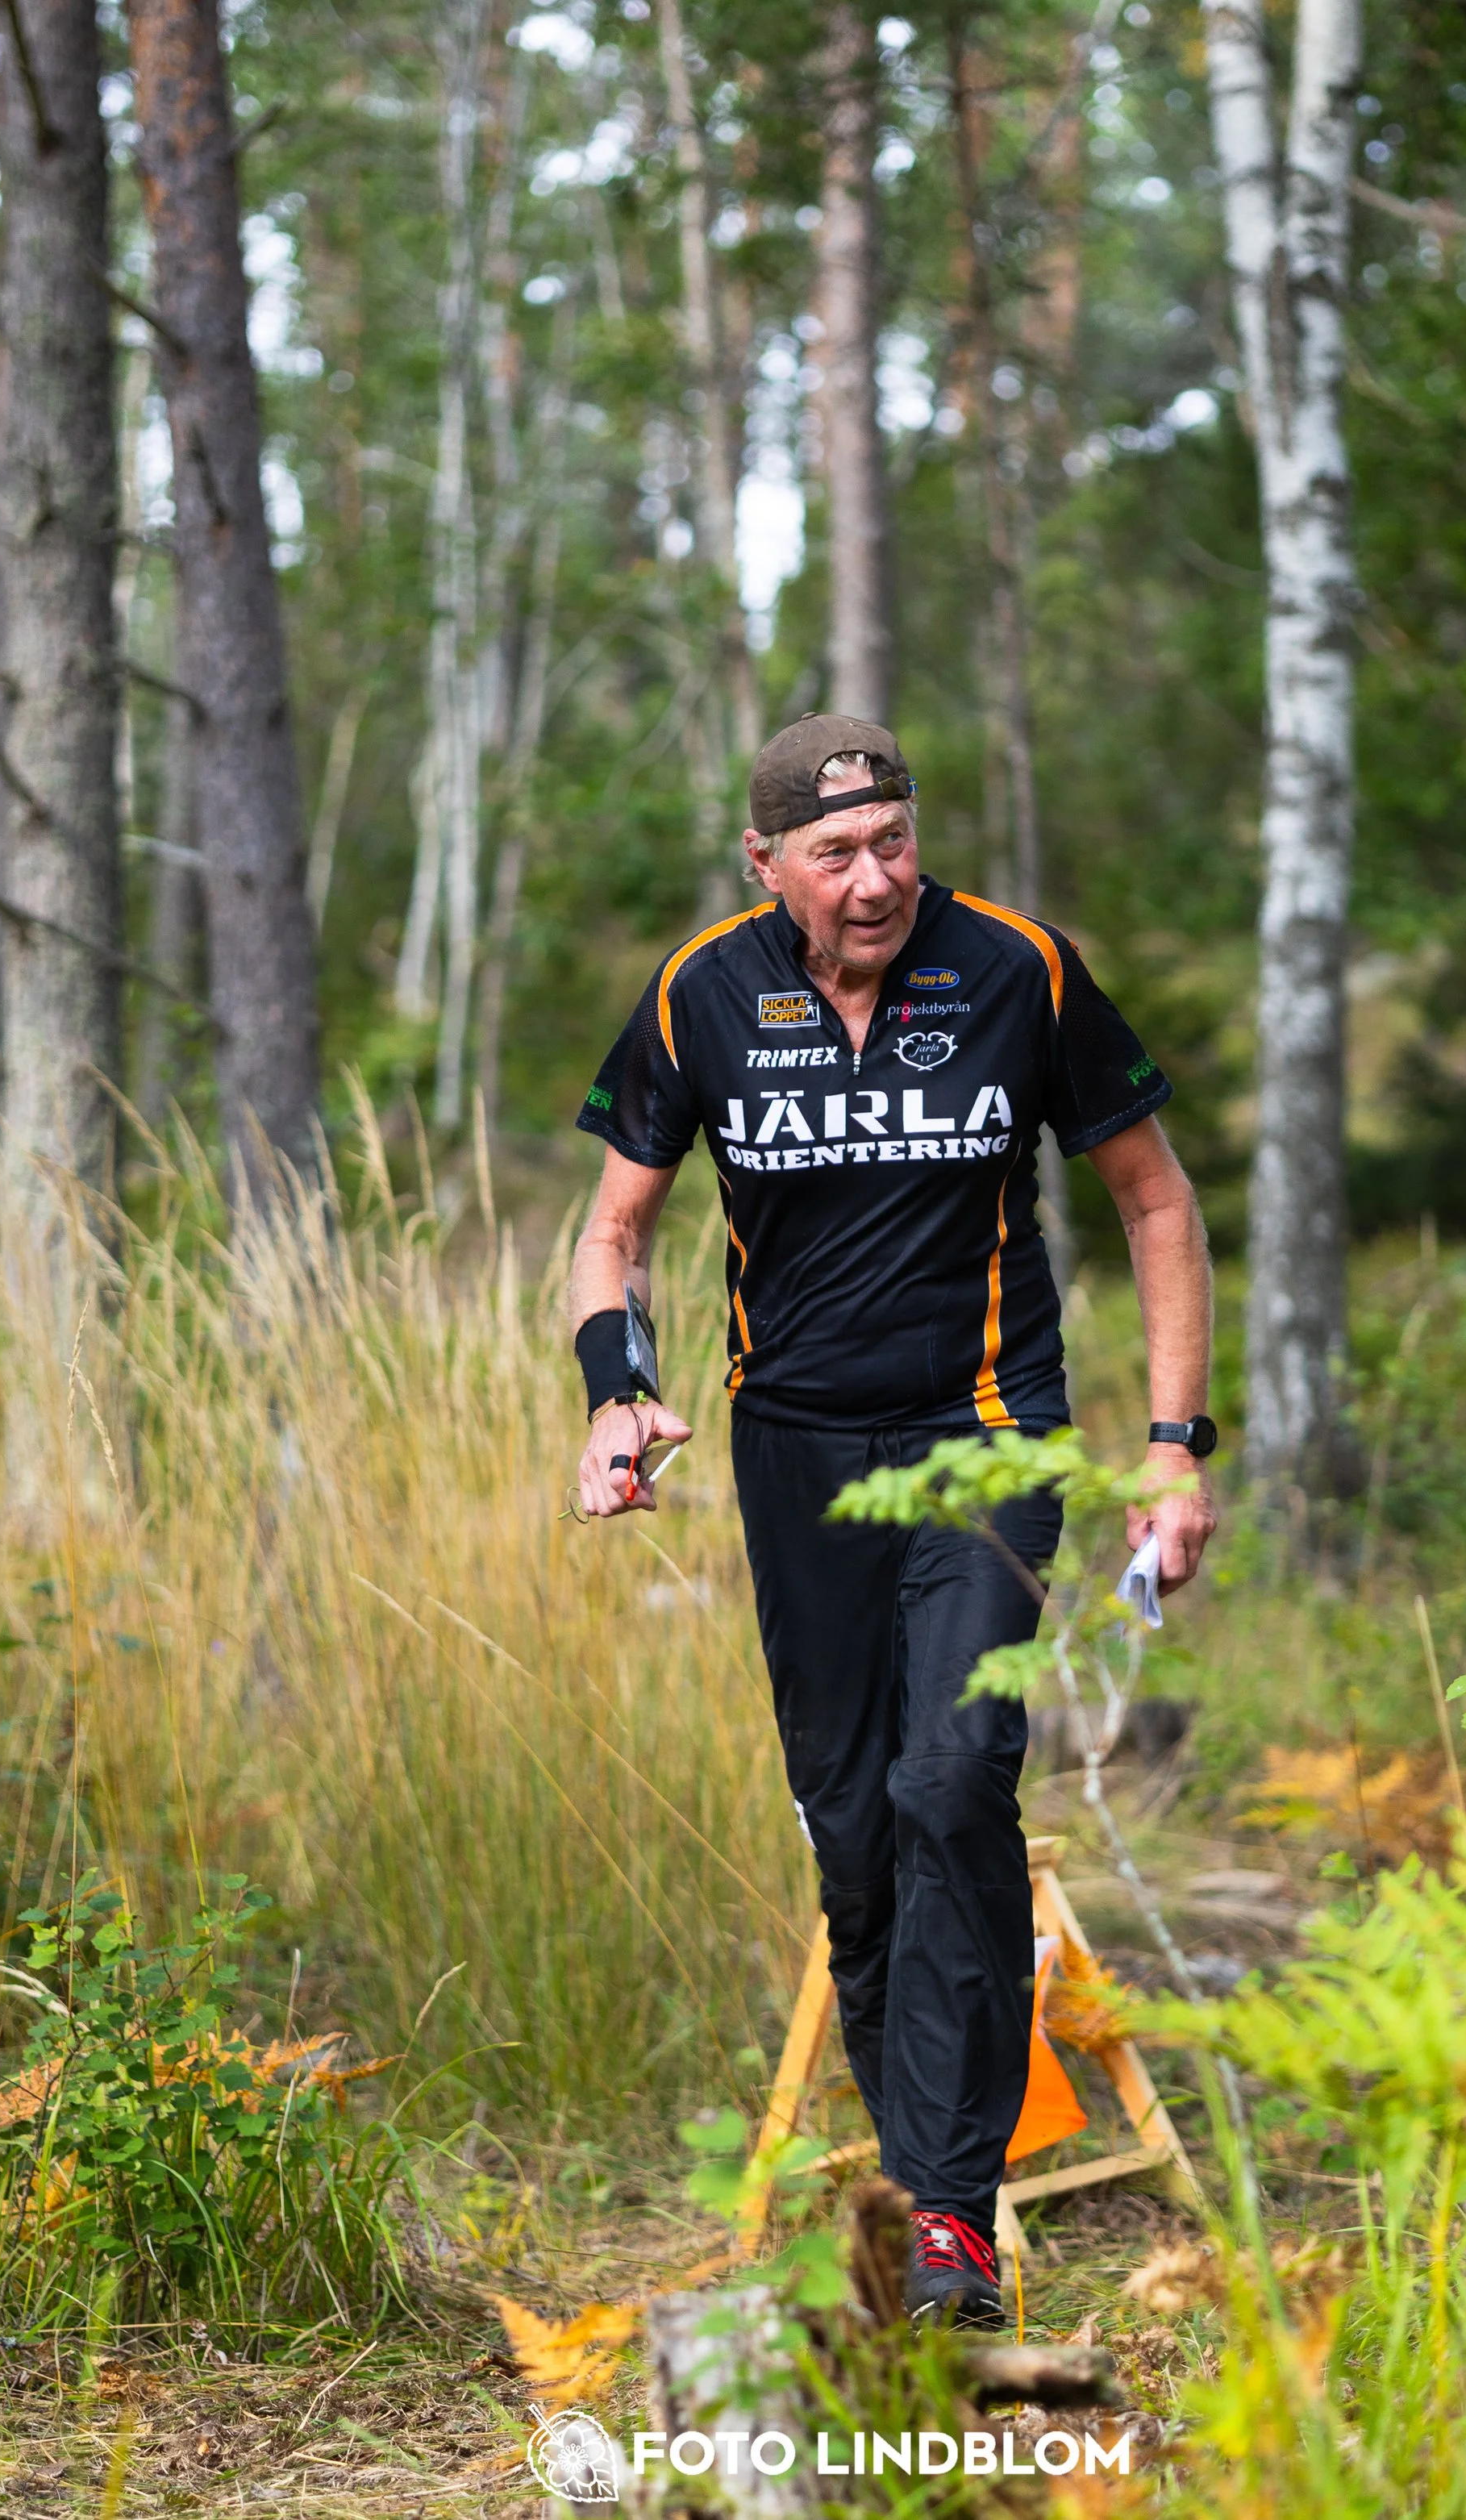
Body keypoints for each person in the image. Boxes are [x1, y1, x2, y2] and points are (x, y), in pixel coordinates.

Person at [568, 714, 1216, 2324]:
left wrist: (1170, 1444)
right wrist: (615, 1388)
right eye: (834, 855)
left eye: (893, 845)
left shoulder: (1019, 970)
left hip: (983, 1433)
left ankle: (950, 2216)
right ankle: (926, 2150)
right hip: (796, 1451)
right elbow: (613, 1233)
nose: (872, 881)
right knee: (854, 1831)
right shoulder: (697, 991)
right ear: (766, 865)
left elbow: (1153, 1197)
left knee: (951, 1776)